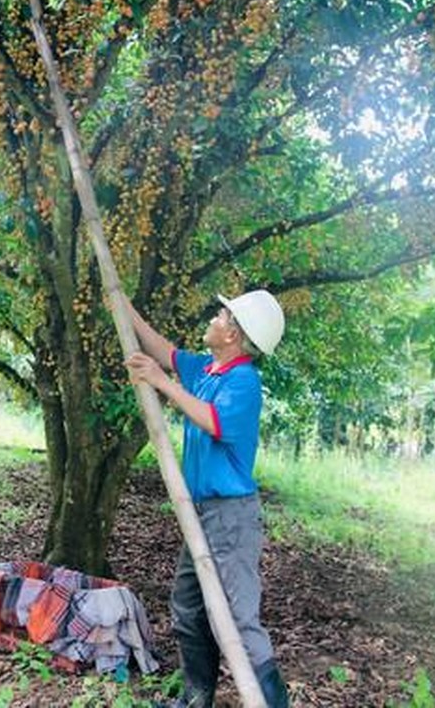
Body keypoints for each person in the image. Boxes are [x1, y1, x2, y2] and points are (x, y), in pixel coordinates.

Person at [124, 290, 290, 708]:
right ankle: (196, 701)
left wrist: (161, 384)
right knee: (188, 608)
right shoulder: (209, 370)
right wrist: (124, 307)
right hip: (200, 514)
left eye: (221, 314)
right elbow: (164, 351)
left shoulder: (243, 381)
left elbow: (212, 421)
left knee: (237, 619)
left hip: (231, 518)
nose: (215, 318)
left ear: (233, 332)